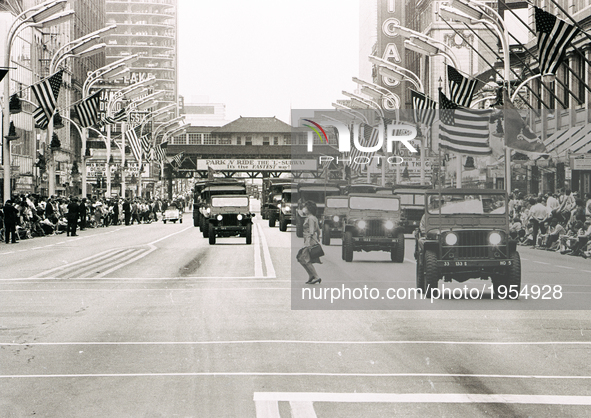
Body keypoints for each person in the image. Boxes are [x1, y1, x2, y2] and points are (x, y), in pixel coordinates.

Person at [296, 201, 322, 285]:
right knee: (301, 258)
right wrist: (317, 238)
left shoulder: (310, 218)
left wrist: (307, 244)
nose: (304, 209)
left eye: (305, 207)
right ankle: (311, 275)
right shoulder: (314, 218)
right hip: (312, 240)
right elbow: (318, 230)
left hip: (309, 241)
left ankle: (316, 276)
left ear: (309, 209)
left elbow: (311, 231)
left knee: (304, 259)